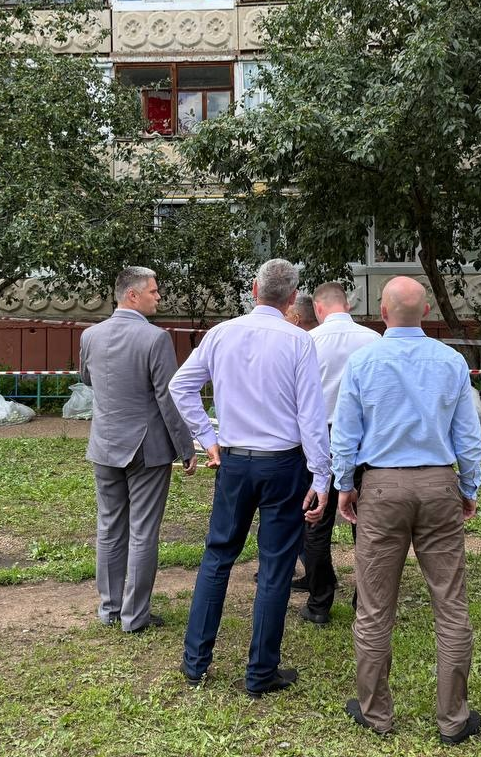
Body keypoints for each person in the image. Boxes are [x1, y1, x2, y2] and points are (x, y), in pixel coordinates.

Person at [332, 276, 481, 746]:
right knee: (450, 603)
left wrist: (344, 485)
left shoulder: (363, 361)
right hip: (439, 484)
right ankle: (453, 719)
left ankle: (376, 713)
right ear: (426, 312)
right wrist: (469, 486)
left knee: (375, 606)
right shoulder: (450, 361)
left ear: (383, 311)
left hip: (381, 487)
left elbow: (346, 432)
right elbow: (468, 434)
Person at [169, 258, 330, 697]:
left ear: (254, 290)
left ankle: (195, 662)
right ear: (292, 298)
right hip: (283, 464)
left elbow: (181, 386)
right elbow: (311, 415)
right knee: (276, 565)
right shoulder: (299, 341)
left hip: (235, 461)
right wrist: (322, 475)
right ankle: (260, 673)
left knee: (218, 557)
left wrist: (207, 437)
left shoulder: (221, 333)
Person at [80, 266, 196, 634]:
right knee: (143, 531)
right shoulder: (155, 338)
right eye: (153, 291)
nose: (158, 297)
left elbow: (87, 379)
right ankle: (134, 616)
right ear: (133, 295)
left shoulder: (90, 336)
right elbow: (168, 397)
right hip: (147, 449)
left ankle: (110, 609)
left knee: (109, 527)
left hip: (104, 444)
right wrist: (186, 447)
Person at [298, 281, 381, 625]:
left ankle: (319, 603)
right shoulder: (374, 340)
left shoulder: (308, 341)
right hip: (365, 439)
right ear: (347, 305)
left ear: (318, 308)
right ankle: (366, 600)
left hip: (320, 436)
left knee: (316, 520)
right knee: (366, 523)